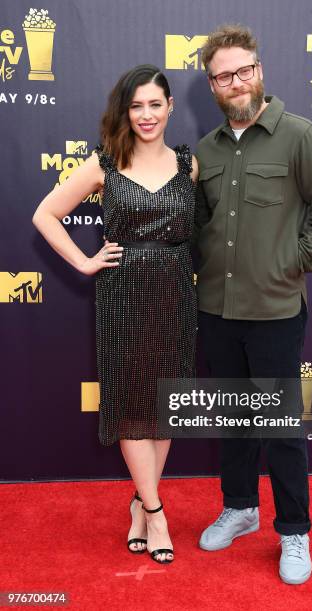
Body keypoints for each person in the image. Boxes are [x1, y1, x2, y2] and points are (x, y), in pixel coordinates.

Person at [194, 25, 312, 584]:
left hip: (277, 311)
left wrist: (291, 262)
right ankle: (240, 508)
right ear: (211, 85)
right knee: (234, 421)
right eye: (222, 76)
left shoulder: (302, 136)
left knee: (280, 426)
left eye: (243, 70)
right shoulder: (206, 150)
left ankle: (294, 532)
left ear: (259, 72)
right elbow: (200, 226)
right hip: (215, 309)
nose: (234, 82)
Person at [32, 64, 198, 564]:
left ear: (170, 107)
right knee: (130, 404)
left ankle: (139, 508)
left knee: (165, 406)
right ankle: (157, 512)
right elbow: (45, 214)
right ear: (125, 111)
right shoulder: (105, 164)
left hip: (174, 294)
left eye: (155, 104)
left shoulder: (189, 165)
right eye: (136, 106)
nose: (146, 115)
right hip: (122, 295)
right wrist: (84, 261)